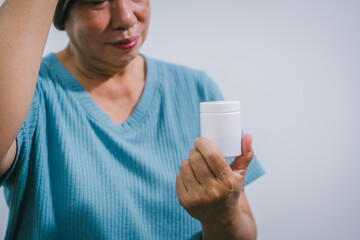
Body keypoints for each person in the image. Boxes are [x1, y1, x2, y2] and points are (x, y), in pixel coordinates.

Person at [0, 0, 264, 239]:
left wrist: (221, 216)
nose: (126, 18)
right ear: (60, 11)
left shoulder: (197, 90)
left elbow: (243, 232)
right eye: (97, 2)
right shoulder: (28, 96)